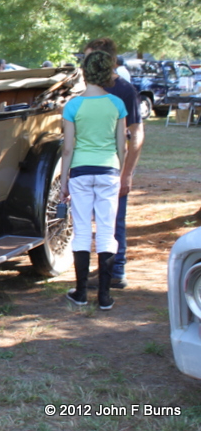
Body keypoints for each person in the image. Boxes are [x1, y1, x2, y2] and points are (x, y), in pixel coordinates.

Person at [60, 50, 127, 310]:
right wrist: (120, 174)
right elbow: (123, 146)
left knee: (82, 230)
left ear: (85, 72)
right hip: (109, 170)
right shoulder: (117, 104)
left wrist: (64, 179)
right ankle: (105, 296)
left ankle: (80, 292)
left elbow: (68, 148)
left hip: (80, 171)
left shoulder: (73, 105)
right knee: (107, 230)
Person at [84, 38, 144, 290]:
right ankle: (105, 267)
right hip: (89, 166)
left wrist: (127, 173)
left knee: (114, 220)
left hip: (113, 167)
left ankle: (117, 269)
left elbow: (137, 133)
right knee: (95, 220)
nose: (85, 64)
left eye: (90, 58)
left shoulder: (125, 90)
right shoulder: (87, 87)